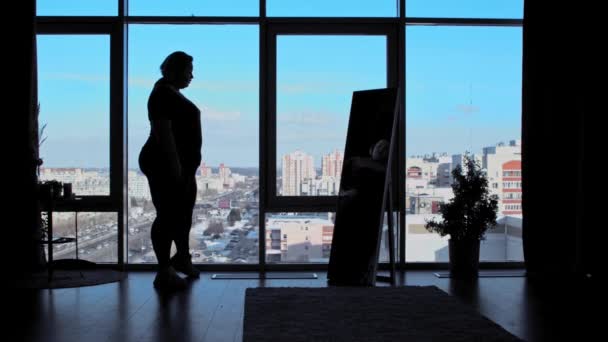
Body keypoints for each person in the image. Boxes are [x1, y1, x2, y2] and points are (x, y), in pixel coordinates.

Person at [139, 51, 202, 291]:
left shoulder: (170, 93)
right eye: (188, 71)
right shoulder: (161, 94)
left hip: (179, 166)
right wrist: (175, 167)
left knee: (182, 213)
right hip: (164, 164)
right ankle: (164, 269)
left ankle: (182, 259)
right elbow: (162, 133)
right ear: (175, 70)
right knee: (167, 215)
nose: (192, 76)